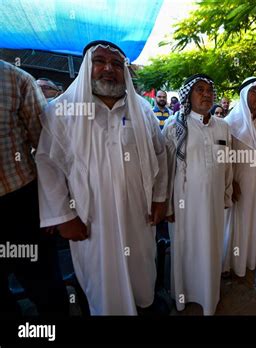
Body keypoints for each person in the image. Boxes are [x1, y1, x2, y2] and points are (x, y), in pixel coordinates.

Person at [35, 40, 168, 315]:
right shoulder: (62, 111)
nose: (109, 69)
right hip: (90, 221)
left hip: (139, 216)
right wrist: (63, 217)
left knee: (141, 276)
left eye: (117, 64)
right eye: (100, 62)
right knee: (101, 286)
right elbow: (48, 164)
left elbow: (161, 154)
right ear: (86, 68)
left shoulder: (142, 111)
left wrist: (159, 198)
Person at [0, 60, 69, 317]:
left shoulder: (16, 80)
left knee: (45, 288)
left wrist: (53, 207)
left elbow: (47, 149)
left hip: (19, 208)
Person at [163, 74, 232, 315]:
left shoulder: (223, 126)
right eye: (199, 90)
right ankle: (184, 296)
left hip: (213, 202)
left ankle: (208, 295)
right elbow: (166, 170)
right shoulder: (174, 126)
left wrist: (226, 194)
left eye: (209, 90)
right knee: (186, 247)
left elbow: (228, 166)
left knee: (211, 246)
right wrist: (167, 206)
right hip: (184, 203)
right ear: (188, 96)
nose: (206, 94)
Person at [222, 77, 256, 277]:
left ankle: (247, 260)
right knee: (234, 224)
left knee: (253, 222)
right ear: (244, 94)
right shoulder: (229, 123)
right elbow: (224, 158)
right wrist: (230, 183)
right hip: (237, 185)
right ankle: (228, 264)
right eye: (254, 92)